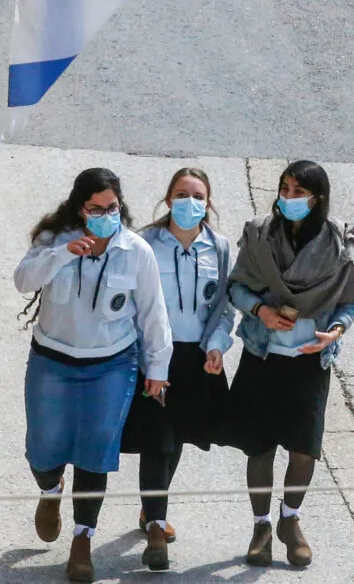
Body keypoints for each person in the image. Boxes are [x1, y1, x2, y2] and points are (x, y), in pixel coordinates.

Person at [14, 168, 172, 583]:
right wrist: (65, 252)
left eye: (113, 208)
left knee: (95, 451)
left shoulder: (135, 251)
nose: (106, 215)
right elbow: (22, 280)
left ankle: (82, 539)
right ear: (80, 209)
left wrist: (157, 368)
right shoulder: (55, 241)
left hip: (111, 365)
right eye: (96, 209)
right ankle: (50, 491)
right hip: (52, 360)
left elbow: (154, 313)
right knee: (43, 449)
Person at [225, 160, 354, 569]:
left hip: (308, 363)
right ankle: (261, 526)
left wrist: (336, 330)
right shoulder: (259, 233)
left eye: (299, 192)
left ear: (317, 198)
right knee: (260, 447)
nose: (289, 198)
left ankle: (290, 520)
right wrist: (261, 312)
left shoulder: (339, 241)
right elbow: (236, 286)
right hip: (263, 356)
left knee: (304, 451)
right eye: (284, 189)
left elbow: (349, 301)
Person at [119, 168, 236, 571]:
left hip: (196, 358)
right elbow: (135, 303)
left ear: (209, 201)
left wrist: (217, 345)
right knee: (158, 439)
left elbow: (223, 307)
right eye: (182, 194)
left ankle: (152, 506)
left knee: (179, 435)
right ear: (168, 199)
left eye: (198, 195)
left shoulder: (218, 248)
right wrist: (147, 356)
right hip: (155, 356)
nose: (190, 203)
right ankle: (155, 525)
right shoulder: (145, 243)